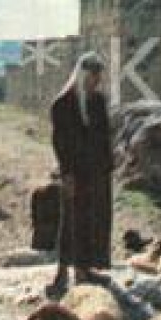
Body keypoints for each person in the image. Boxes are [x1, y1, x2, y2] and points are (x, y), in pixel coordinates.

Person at [48, 53, 113, 295]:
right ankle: (63, 271)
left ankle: (85, 269)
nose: (97, 81)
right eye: (94, 76)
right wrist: (66, 173)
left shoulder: (97, 102)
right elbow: (60, 142)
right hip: (74, 173)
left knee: (92, 220)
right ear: (85, 75)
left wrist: (106, 168)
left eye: (99, 77)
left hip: (96, 173)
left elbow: (104, 136)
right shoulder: (63, 104)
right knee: (71, 222)